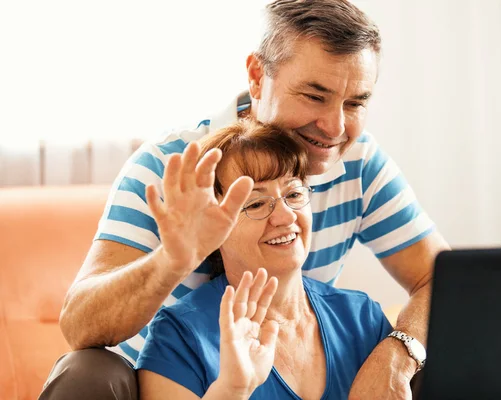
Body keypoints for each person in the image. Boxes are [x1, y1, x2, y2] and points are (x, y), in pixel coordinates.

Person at [41, 1, 450, 399]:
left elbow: (441, 279)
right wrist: (174, 259)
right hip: (164, 379)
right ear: (258, 76)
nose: (335, 128)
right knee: (87, 373)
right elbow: (79, 326)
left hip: (284, 360)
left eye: (355, 102)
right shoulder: (166, 166)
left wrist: (399, 354)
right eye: (314, 95)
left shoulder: (359, 163)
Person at [136, 119, 394, 399]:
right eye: (256, 203)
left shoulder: (363, 318)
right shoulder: (179, 337)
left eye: (294, 194)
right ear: (212, 227)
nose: (285, 217)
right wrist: (232, 389)